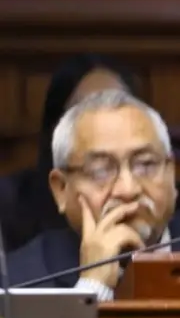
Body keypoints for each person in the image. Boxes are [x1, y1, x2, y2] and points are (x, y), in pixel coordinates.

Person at [7, 89, 180, 301]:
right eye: (100, 171)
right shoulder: (18, 280)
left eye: (145, 165)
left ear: (170, 172)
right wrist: (93, 285)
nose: (128, 189)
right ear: (61, 189)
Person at [0, 53, 140, 252]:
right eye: (86, 111)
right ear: (56, 128)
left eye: (117, 107)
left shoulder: (161, 205)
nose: (104, 123)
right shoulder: (9, 207)